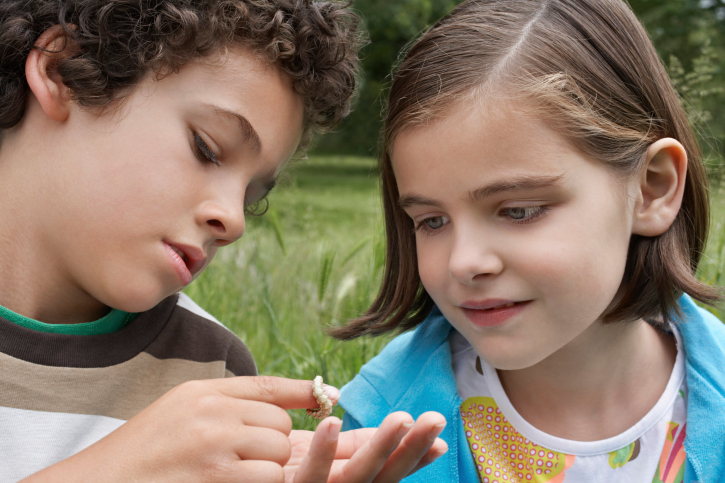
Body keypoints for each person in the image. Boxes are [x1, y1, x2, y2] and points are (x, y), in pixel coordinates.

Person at [0, 0, 448, 481]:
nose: (233, 220)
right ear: (63, 72)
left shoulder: (212, 369)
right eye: (206, 149)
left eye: (253, 196)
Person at [334, 0, 725, 481]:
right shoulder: (380, 423)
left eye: (518, 210)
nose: (464, 263)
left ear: (652, 188)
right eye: (432, 221)